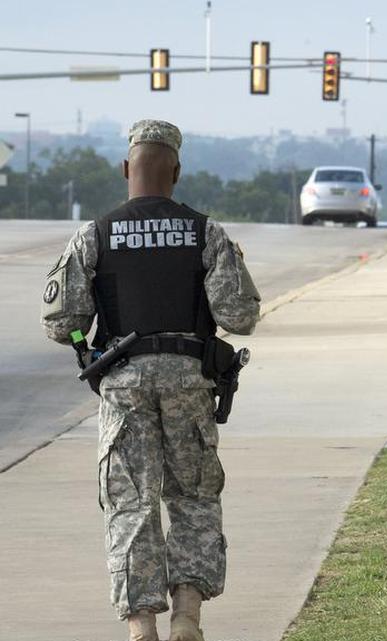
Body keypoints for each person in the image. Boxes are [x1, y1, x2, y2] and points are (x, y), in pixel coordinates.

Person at [40, 120, 261, 641]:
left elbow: (59, 320)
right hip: (189, 381)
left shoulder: (95, 234)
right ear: (176, 172)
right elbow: (239, 314)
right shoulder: (206, 232)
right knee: (193, 498)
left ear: (125, 169)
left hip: (123, 380)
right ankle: (187, 616)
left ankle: (142, 626)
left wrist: (85, 346)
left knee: (130, 503)